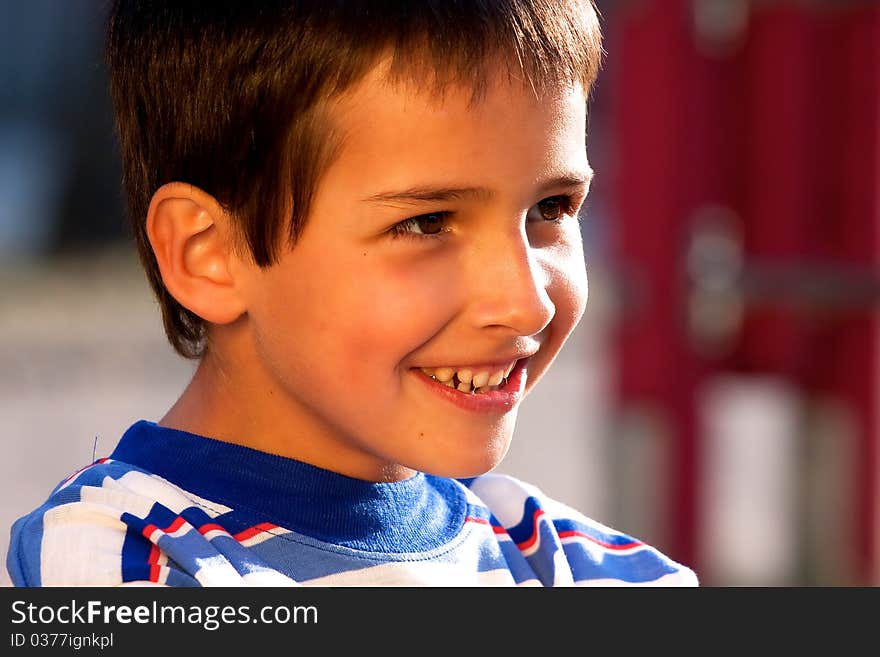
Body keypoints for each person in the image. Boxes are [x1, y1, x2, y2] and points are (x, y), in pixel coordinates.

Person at [7, 0, 698, 587]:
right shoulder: (120, 559)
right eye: (427, 222)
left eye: (551, 208)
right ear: (208, 254)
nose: (526, 303)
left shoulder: (579, 568)